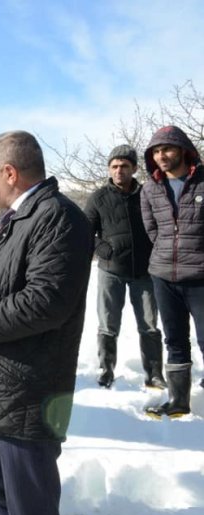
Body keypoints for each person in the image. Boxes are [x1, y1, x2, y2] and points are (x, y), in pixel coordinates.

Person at [0, 131, 92, 515]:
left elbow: (45, 304)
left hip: (25, 399)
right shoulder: (9, 221)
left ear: (9, 172)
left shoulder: (58, 218)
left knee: (30, 511)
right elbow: (3, 291)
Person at [84, 145, 165, 389]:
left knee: (149, 325)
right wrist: (100, 248)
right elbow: (85, 230)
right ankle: (106, 370)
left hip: (145, 272)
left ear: (134, 168)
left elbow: (162, 223)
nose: (119, 170)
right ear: (109, 169)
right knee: (108, 324)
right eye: (115, 166)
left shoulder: (148, 194)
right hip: (111, 271)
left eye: (124, 166)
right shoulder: (98, 197)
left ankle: (154, 374)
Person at [141, 126, 204, 418]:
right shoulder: (150, 188)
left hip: (200, 276)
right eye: (156, 151)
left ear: (182, 150)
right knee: (174, 339)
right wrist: (167, 254)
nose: (161, 156)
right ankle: (178, 402)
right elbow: (152, 229)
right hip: (163, 276)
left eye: (167, 149)